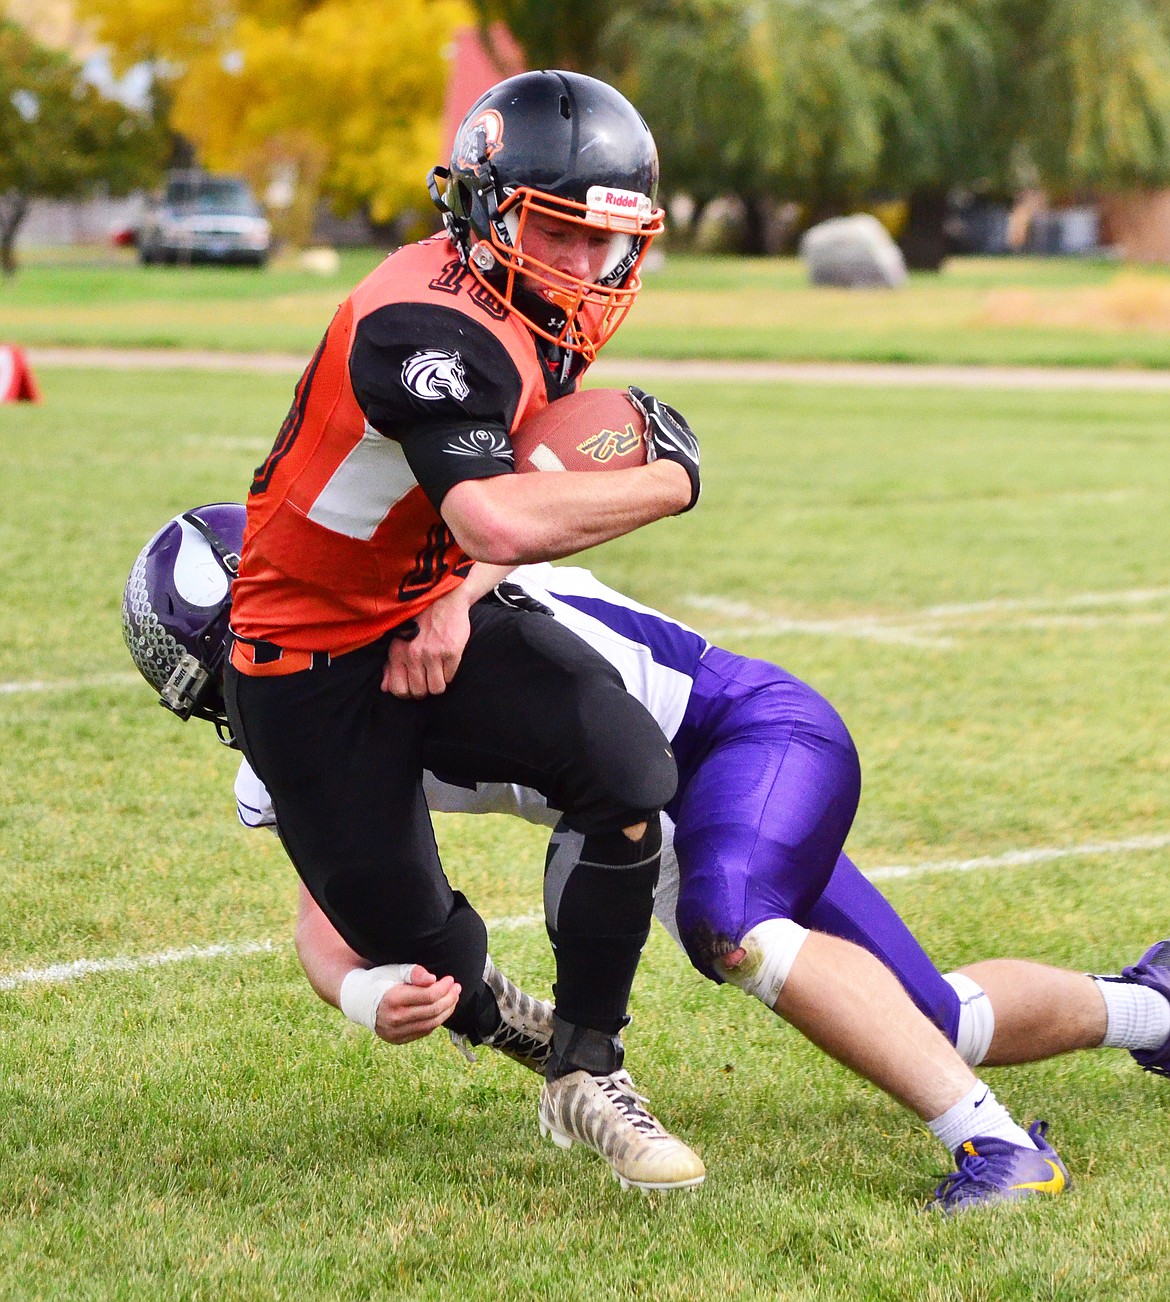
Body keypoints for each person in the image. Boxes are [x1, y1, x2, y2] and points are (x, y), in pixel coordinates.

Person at [125, 510, 1170, 1209]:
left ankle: (1000, 1153)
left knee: (735, 929)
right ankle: (1155, 1010)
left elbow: (514, 511)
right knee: (941, 1025)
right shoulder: (296, 740)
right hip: (653, 819)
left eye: (257, 658)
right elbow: (329, 905)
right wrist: (361, 994)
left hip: (746, 736)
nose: (261, 693)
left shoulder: (437, 611)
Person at [132, 70, 711, 1196]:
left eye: (608, 240)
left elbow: (476, 523)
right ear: (489, 209)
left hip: (426, 609)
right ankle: (504, 1022)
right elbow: (492, 509)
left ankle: (589, 1072)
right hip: (303, 667)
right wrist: (672, 484)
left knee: (629, 768)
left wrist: (452, 597)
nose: (586, 267)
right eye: (558, 231)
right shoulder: (423, 323)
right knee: (428, 955)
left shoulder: (535, 305)